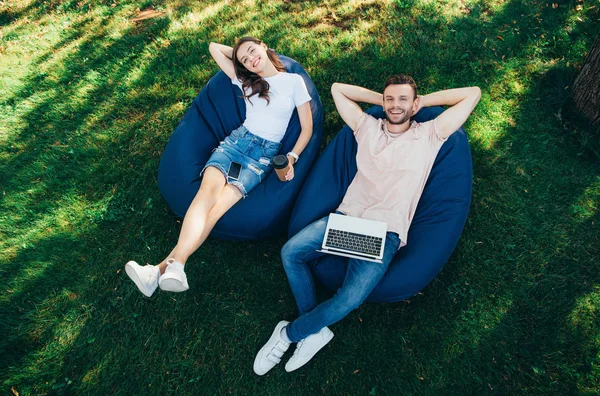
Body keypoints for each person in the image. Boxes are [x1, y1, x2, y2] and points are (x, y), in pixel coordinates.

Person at [254, 75, 481, 375]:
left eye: (403, 100)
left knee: (350, 298)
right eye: (390, 99)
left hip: (383, 232)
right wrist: (386, 103)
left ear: (414, 104)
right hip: (349, 220)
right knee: (290, 252)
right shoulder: (367, 127)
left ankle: (288, 334)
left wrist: (420, 103)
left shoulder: (430, 134)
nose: (395, 105)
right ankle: (314, 330)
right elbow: (338, 90)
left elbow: (473, 92)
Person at [125, 37, 313, 297]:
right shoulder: (245, 79)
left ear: (263, 44)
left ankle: (158, 272)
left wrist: (291, 157)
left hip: (261, 157)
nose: (250, 59)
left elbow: (307, 128)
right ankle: (177, 266)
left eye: (252, 51)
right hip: (236, 142)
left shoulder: (294, 82)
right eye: (244, 59)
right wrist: (242, 60)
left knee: (216, 210)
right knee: (205, 197)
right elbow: (213, 47)